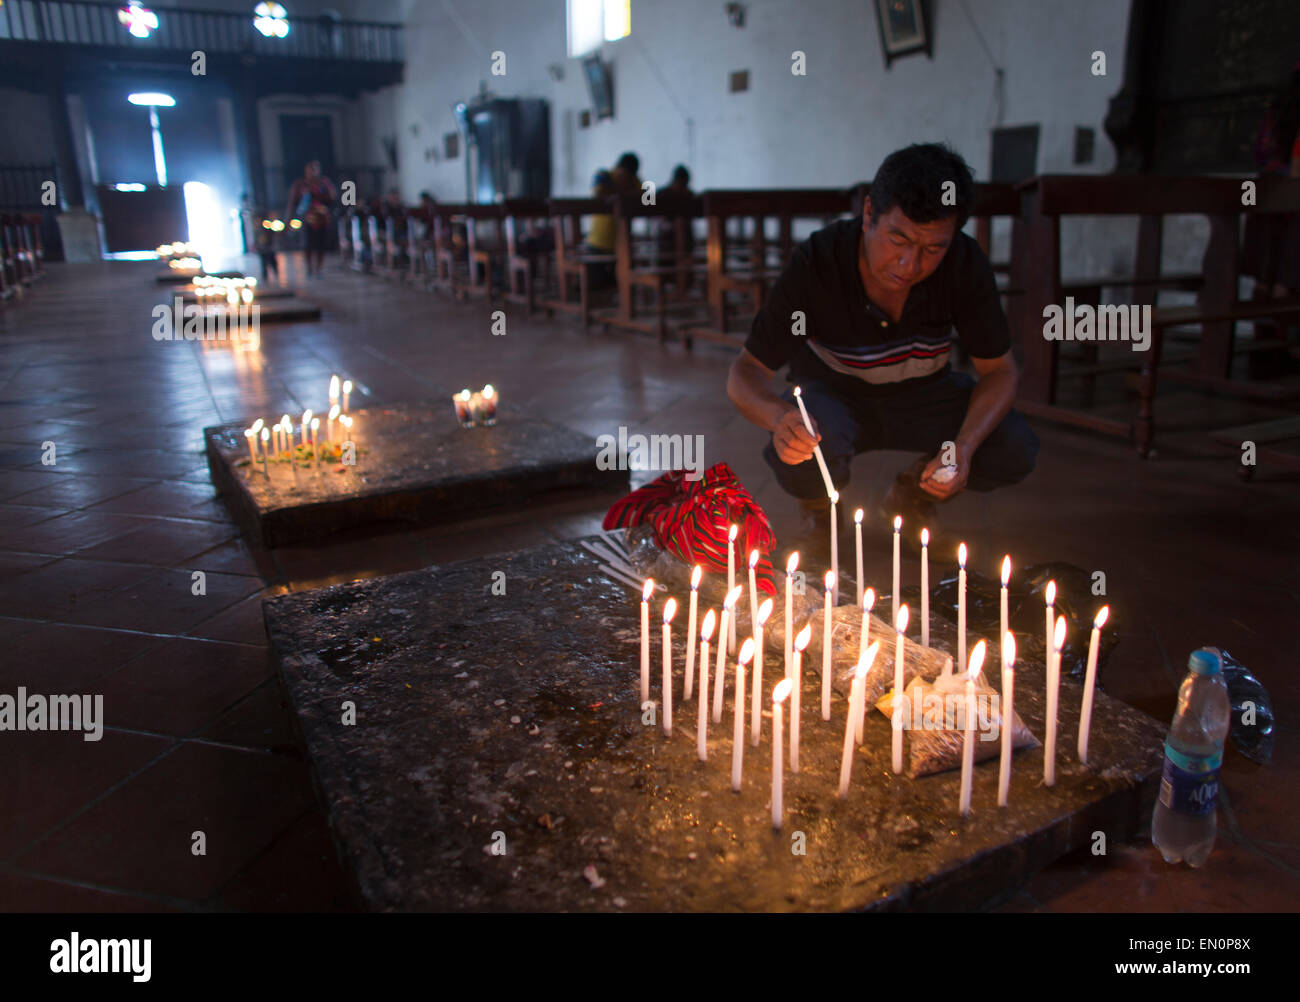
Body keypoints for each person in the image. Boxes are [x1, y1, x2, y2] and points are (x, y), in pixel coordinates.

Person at [726, 142, 1038, 558]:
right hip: (835, 400)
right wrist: (780, 419)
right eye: (898, 239)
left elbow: (1000, 371)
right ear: (869, 213)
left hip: (924, 397)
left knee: (1012, 442)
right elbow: (744, 373)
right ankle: (822, 514)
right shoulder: (819, 262)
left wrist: (962, 447)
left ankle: (914, 497)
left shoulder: (964, 264)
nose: (910, 265)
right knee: (802, 445)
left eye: (932, 249)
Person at [285, 160, 337, 278]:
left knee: (320, 244)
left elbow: (332, 197)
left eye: (315, 169)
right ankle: (309, 268)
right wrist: (287, 220)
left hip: (322, 218)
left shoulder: (324, 183)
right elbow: (292, 203)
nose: (312, 172)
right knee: (306, 244)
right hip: (306, 219)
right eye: (310, 169)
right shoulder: (300, 185)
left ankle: (319, 268)